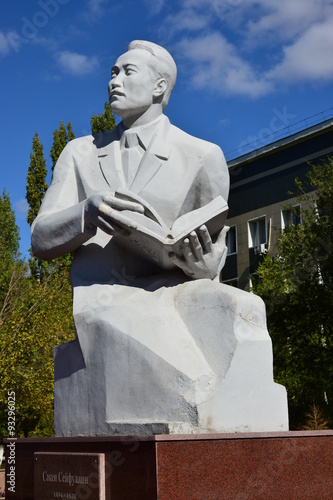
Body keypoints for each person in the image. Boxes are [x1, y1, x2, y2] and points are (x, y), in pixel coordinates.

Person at [31, 41, 233, 435]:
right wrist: (87, 212)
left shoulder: (201, 155)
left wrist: (205, 265)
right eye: (112, 72)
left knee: (236, 308)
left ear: (159, 87)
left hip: (172, 287)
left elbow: (213, 244)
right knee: (163, 350)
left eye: (127, 72)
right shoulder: (81, 153)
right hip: (102, 293)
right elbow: (40, 238)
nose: (114, 81)